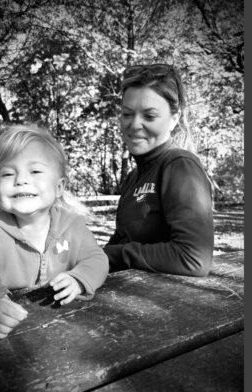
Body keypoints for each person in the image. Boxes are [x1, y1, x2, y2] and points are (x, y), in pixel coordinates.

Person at [0, 125, 109, 338]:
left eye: (35, 171)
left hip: (72, 330)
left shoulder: (73, 226)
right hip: (15, 339)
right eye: (7, 173)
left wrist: (79, 279)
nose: (21, 180)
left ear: (59, 187)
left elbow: (97, 259)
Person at [103, 63, 215, 277]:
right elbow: (121, 240)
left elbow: (193, 258)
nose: (135, 124)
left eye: (150, 116)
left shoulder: (179, 165)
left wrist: (114, 255)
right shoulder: (134, 176)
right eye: (127, 114)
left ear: (175, 118)